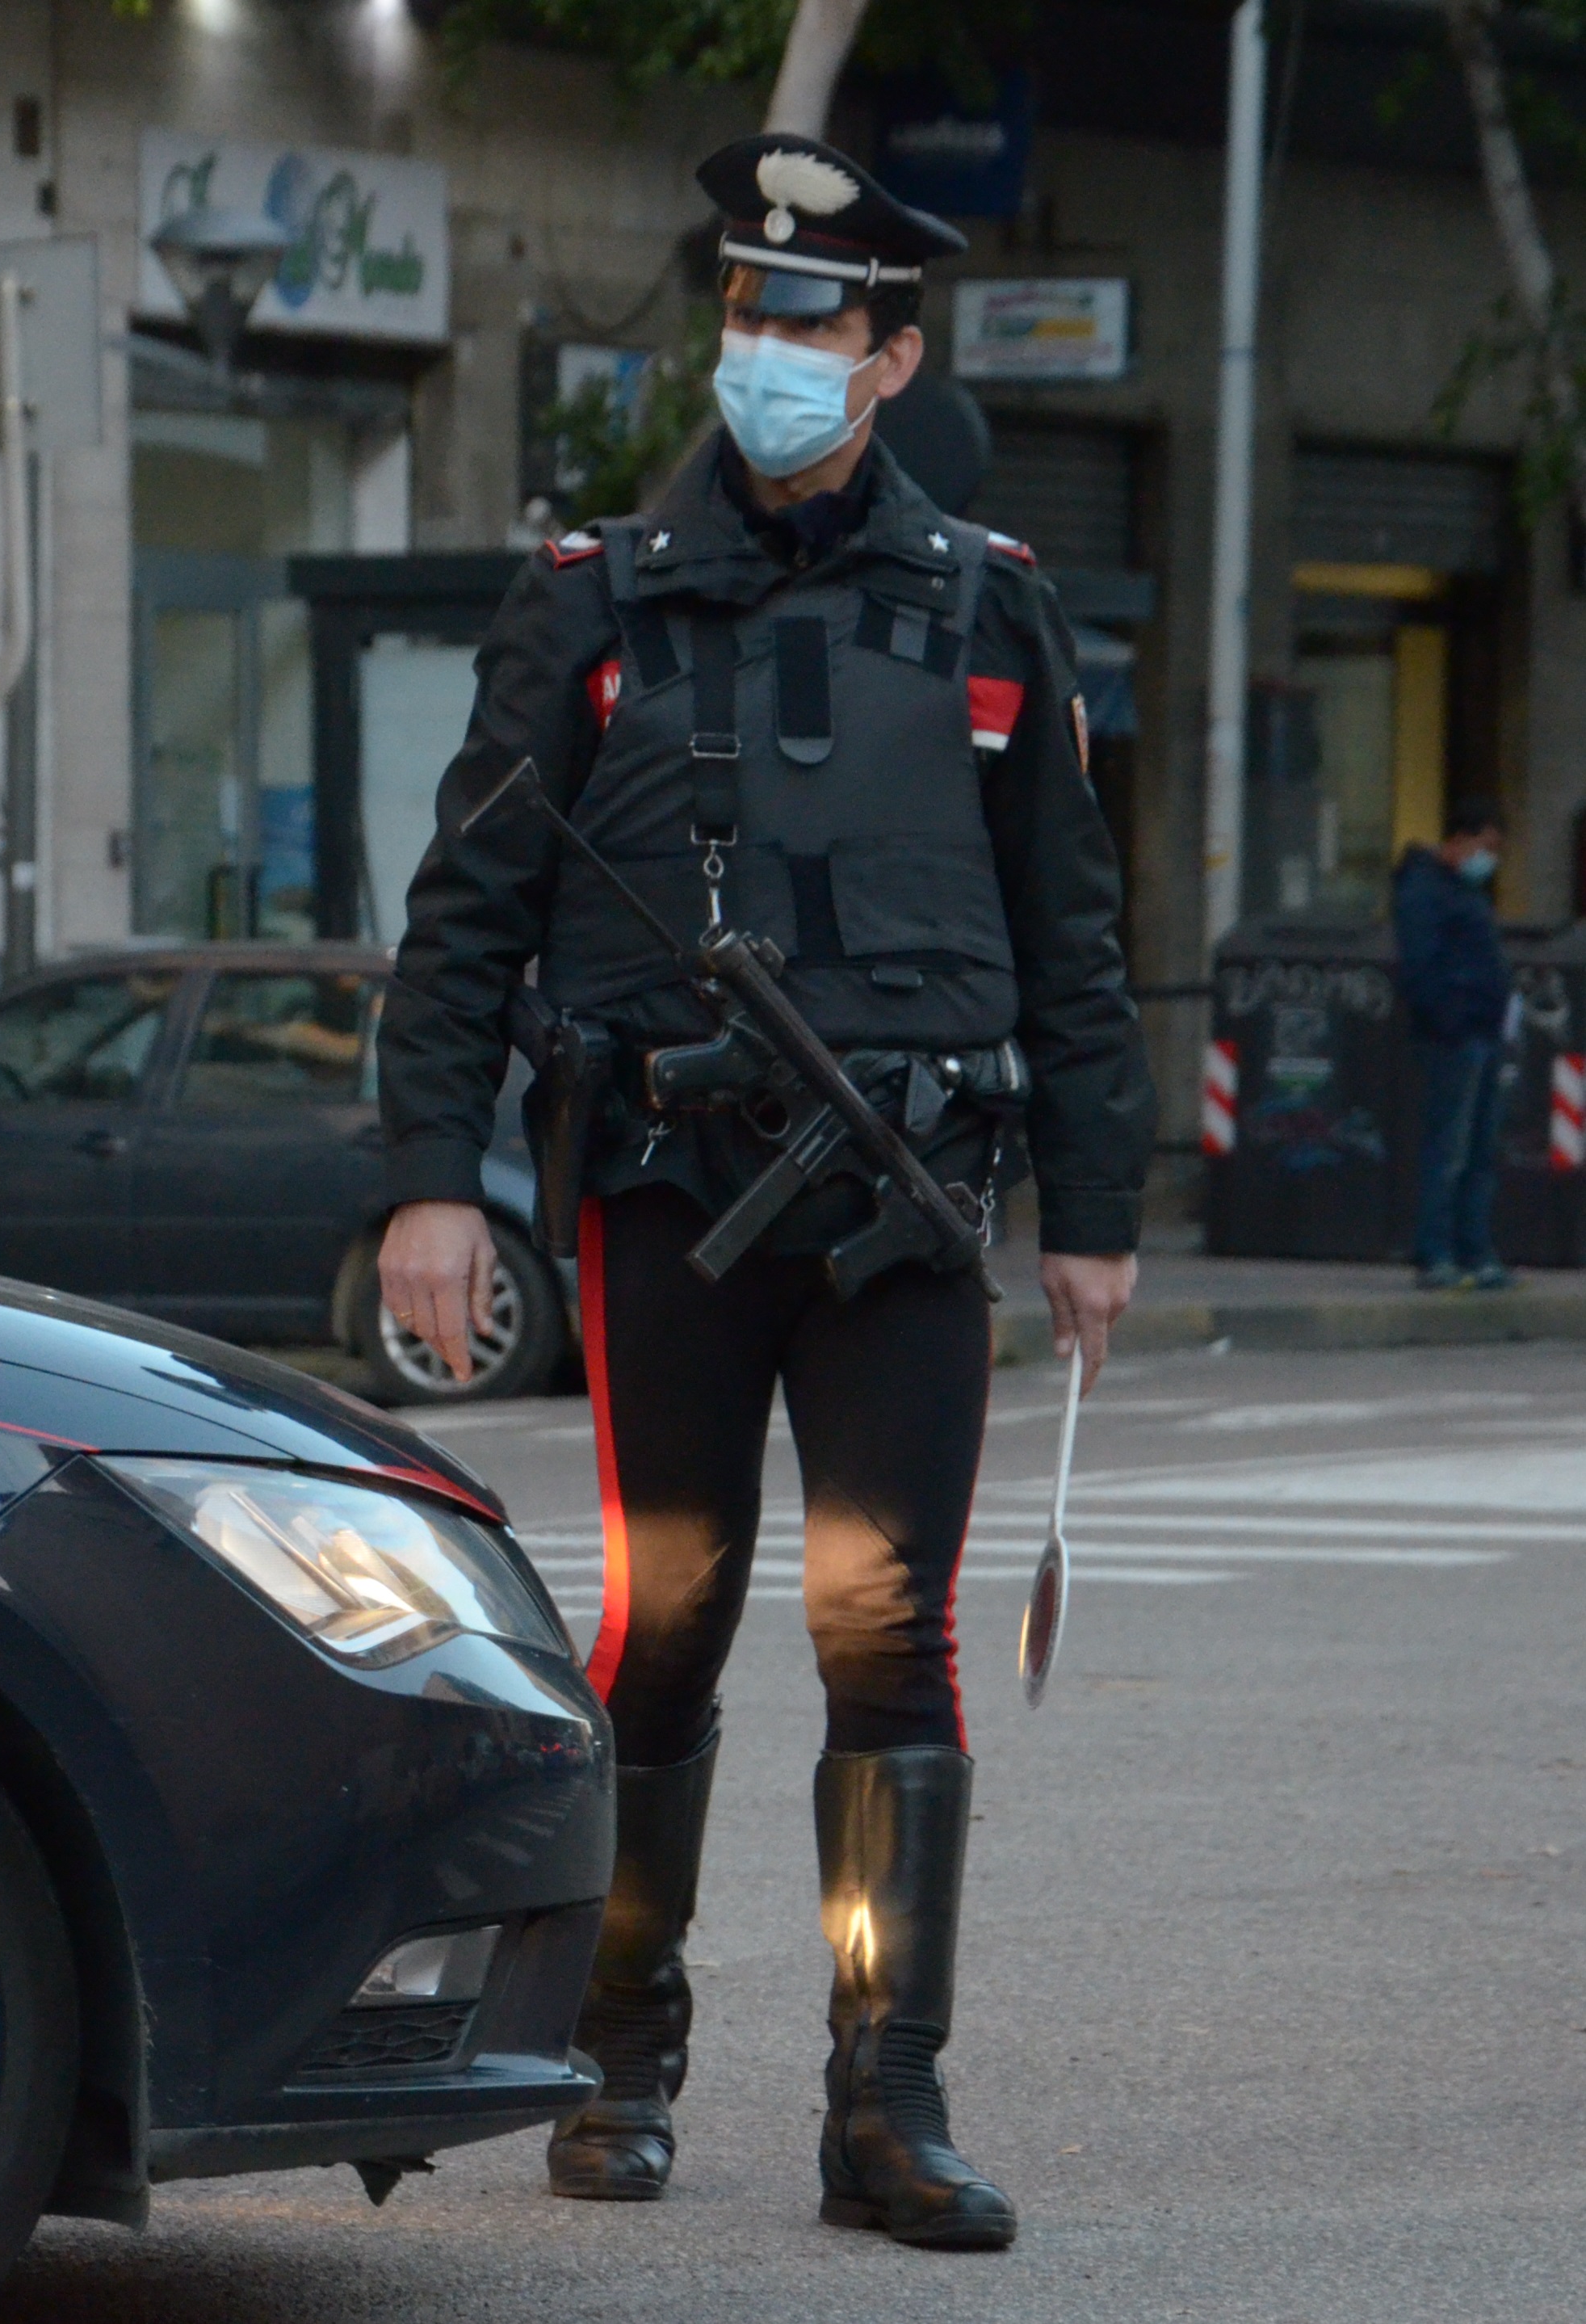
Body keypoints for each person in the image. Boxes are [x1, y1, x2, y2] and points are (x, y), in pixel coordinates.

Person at [373, 134, 1154, 2251]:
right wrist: (425, 1184)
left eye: (811, 319)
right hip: (666, 1199)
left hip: (904, 1208)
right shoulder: (589, 601)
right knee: (670, 1622)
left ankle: (880, 2107)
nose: (768, 350)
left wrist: (1093, 1199)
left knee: (886, 1636)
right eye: (745, 309)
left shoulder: (989, 606)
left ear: (890, 353)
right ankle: (615, 2045)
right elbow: (463, 918)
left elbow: (1067, 932)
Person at [1393, 799, 1515, 1292]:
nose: (1490, 860)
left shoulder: (1463, 891)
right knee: (1451, 1149)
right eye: (1486, 848)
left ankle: (1473, 1250)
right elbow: (1422, 968)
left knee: (1479, 1150)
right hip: (1458, 1037)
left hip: (1482, 1033)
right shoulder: (1426, 890)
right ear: (1461, 842)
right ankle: (1437, 1251)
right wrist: (1454, 1021)